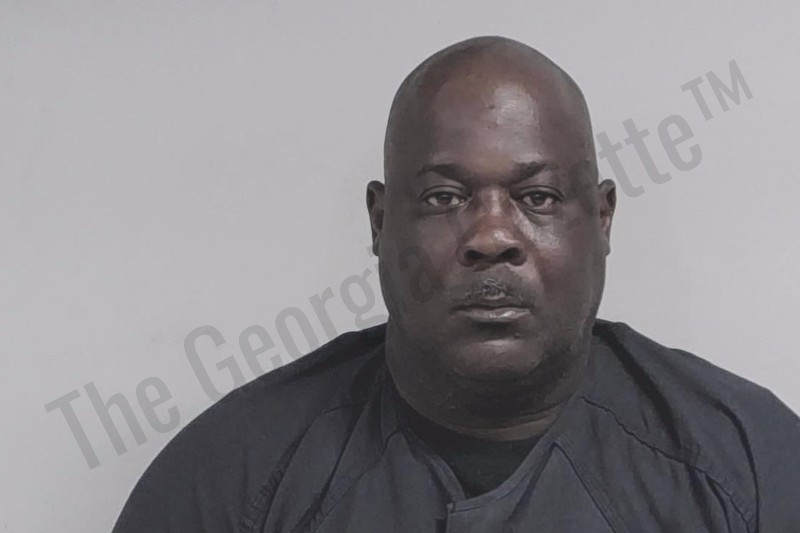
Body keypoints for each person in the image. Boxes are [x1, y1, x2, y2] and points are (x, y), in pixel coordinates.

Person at [113, 36, 800, 532]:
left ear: (601, 219)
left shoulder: (748, 463)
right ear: (381, 222)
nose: (491, 236)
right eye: (444, 197)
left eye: (537, 197)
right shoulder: (234, 476)